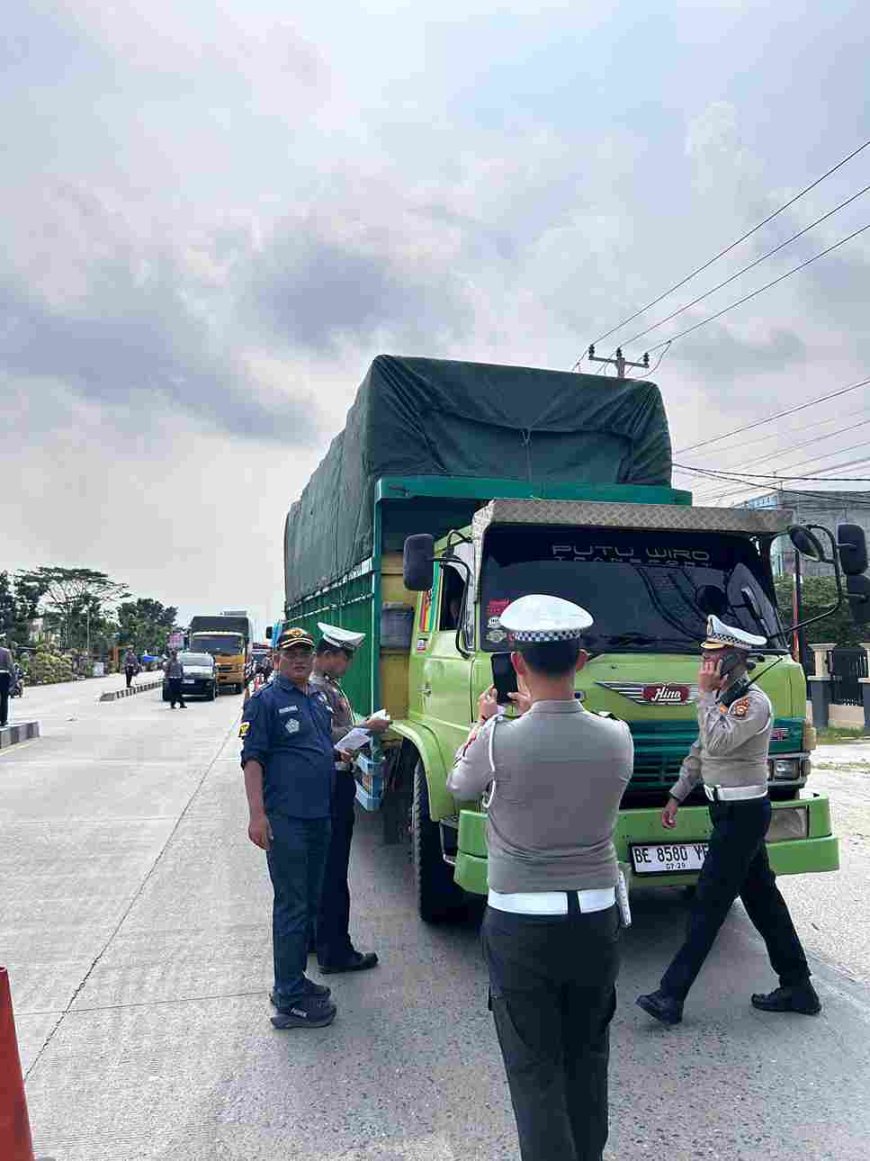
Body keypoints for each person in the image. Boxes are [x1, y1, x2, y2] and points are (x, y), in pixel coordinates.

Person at [447, 595, 633, 1161]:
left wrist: (488, 722)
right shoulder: (616, 735)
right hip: (597, 918)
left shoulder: (500, 739)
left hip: (522, 923)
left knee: (535, 1073)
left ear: (518, 664)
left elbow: (459, 786)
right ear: (580, 661)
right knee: (588, 1059)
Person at [637, 615, 820, 1027]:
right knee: (763, 900)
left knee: (709, 902)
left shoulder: (752, 704)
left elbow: (719, 738)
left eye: (710, 658)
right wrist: (676, 794)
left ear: (732, 660)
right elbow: (701, 749)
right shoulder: (721, 701)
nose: (703, 666)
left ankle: (671, 995)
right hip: (726, 811)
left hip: (744, 814)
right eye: (703, 657)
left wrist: (703, 698)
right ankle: (799, 987)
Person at [240, 626, 344, 1029]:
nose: (300, 659)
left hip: (319, 815)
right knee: (291, 905)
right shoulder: (265, 701)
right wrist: (256, 815)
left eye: (306, 653)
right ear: (278, 659)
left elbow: (321, 746)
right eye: (292, 653)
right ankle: (288, 998)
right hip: (286, 819)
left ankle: (294, 978)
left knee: (309, 902)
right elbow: (252, 761)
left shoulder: (316, 698)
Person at [309, 623, 389, 973]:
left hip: (331, 783)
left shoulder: (329, 687)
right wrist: (367, 729)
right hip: (332, 785)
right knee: (333, 873)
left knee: (325, 870)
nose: (349, 665)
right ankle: (335, 952)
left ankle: (318, 940)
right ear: (327, 656)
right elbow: (329, 738)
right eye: (346, 658)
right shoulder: (318, 691)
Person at [0, 637, 14, 728]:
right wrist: (13, 678)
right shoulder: (6, 652)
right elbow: (10, 666)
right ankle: (3, 720)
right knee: (4, 699)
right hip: (3, 676)